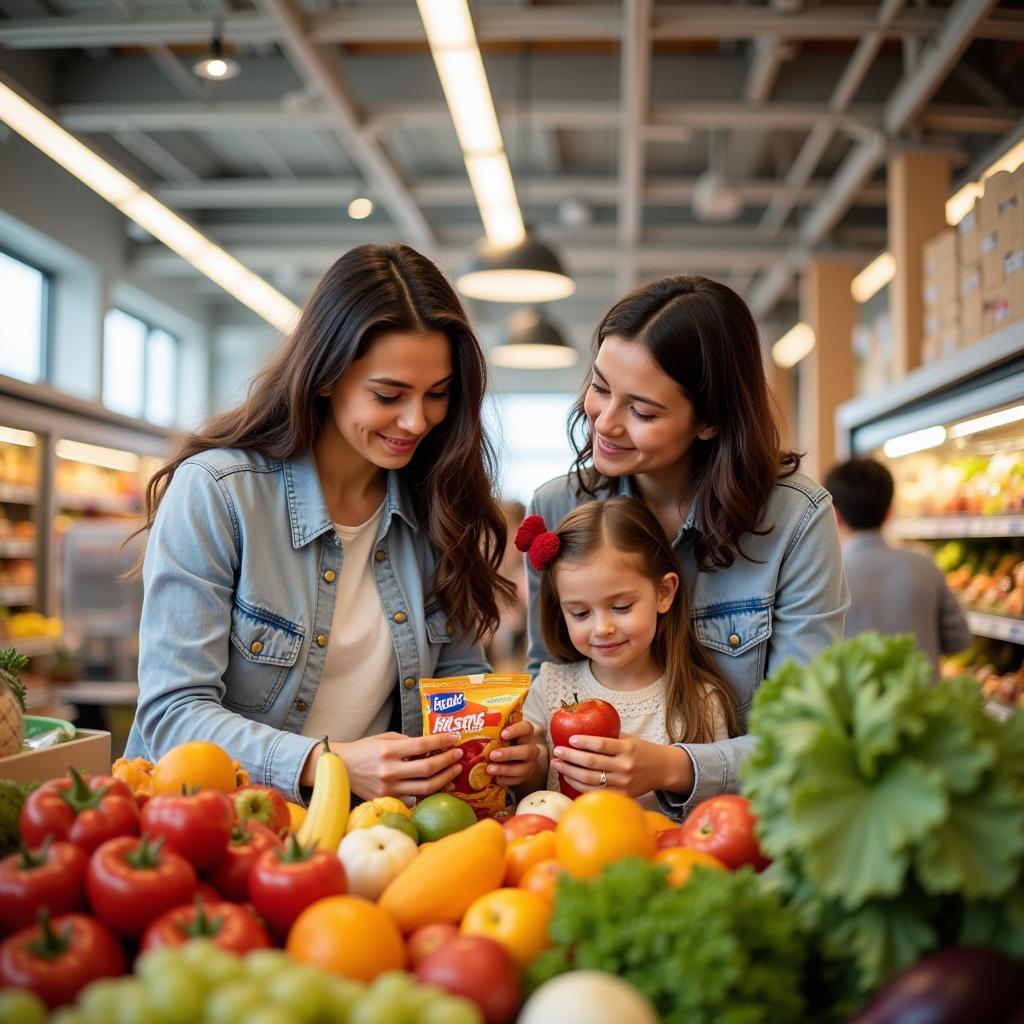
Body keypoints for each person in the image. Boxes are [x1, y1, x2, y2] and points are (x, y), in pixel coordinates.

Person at [124, 243, 540, 803]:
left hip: (373, 832)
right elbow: (171, 714)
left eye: (438, 394)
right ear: (325, 376)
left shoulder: (440, 508)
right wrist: (328, 763)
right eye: (388, 394)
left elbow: (458, 680)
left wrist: (495, 737)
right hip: (212, 824)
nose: (417, 420)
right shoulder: (219, 494)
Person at [526, 274, 848, 819]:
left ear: (710, 420)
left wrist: (673, 767)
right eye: (601, 387)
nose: (605, 422)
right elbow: (552, 667)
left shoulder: (793, 520)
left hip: (737, 828)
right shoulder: (559, 509)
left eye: (643, 412)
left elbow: (808, 737)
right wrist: (528, 752)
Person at [518, 498, 737, 809]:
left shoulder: (700, 700)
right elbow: (532, 792)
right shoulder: (550, 688)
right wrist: (526, 762)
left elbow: (718, 806)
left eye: (621, 607)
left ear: (664, 593)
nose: (602, 628)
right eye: (580, 613)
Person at [824, 457, 971, 674]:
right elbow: (959, 641)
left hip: (854, 706)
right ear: (889, 512)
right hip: (921, 702)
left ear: (834, 516)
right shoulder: (925, 564)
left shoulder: (828, 575)